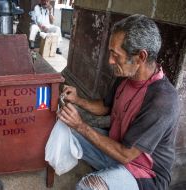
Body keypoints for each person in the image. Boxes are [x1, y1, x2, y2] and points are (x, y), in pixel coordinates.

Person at [57, 14, 180, 190]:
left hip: (145, 173)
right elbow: (105, 107)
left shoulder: (163, 100)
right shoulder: (126, 75)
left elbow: (126, 154)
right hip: (116, 148)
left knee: (87, 187)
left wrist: (81, 126)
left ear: (140, 57)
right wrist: (77, 100)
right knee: (64, 129)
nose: (110, 60)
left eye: (115, 54)